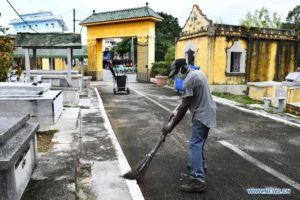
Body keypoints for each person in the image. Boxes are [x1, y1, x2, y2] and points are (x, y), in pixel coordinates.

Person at [162, 58, 217, 193]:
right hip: (209, 111)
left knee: (194, 145)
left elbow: (185, 106)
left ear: (182, 68)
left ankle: (198, 180)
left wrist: (170, 127)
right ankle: (200, 165)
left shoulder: (188, 81)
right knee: (199, 142)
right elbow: (186, 101)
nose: (176, 75)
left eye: (176, 72)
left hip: (202, 115)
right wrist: (174, 111)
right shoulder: (198, 73)